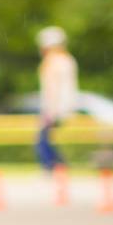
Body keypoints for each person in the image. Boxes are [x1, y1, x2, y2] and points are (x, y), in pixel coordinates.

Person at [36, 26, 79, 173]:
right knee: (52, 140)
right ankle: (60, 166)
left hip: (55, 109)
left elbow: (52, 89)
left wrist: (49, 111)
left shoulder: (51, 62)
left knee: (43, 141)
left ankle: (54, 168)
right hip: (67, 107)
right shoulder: (68, 60)